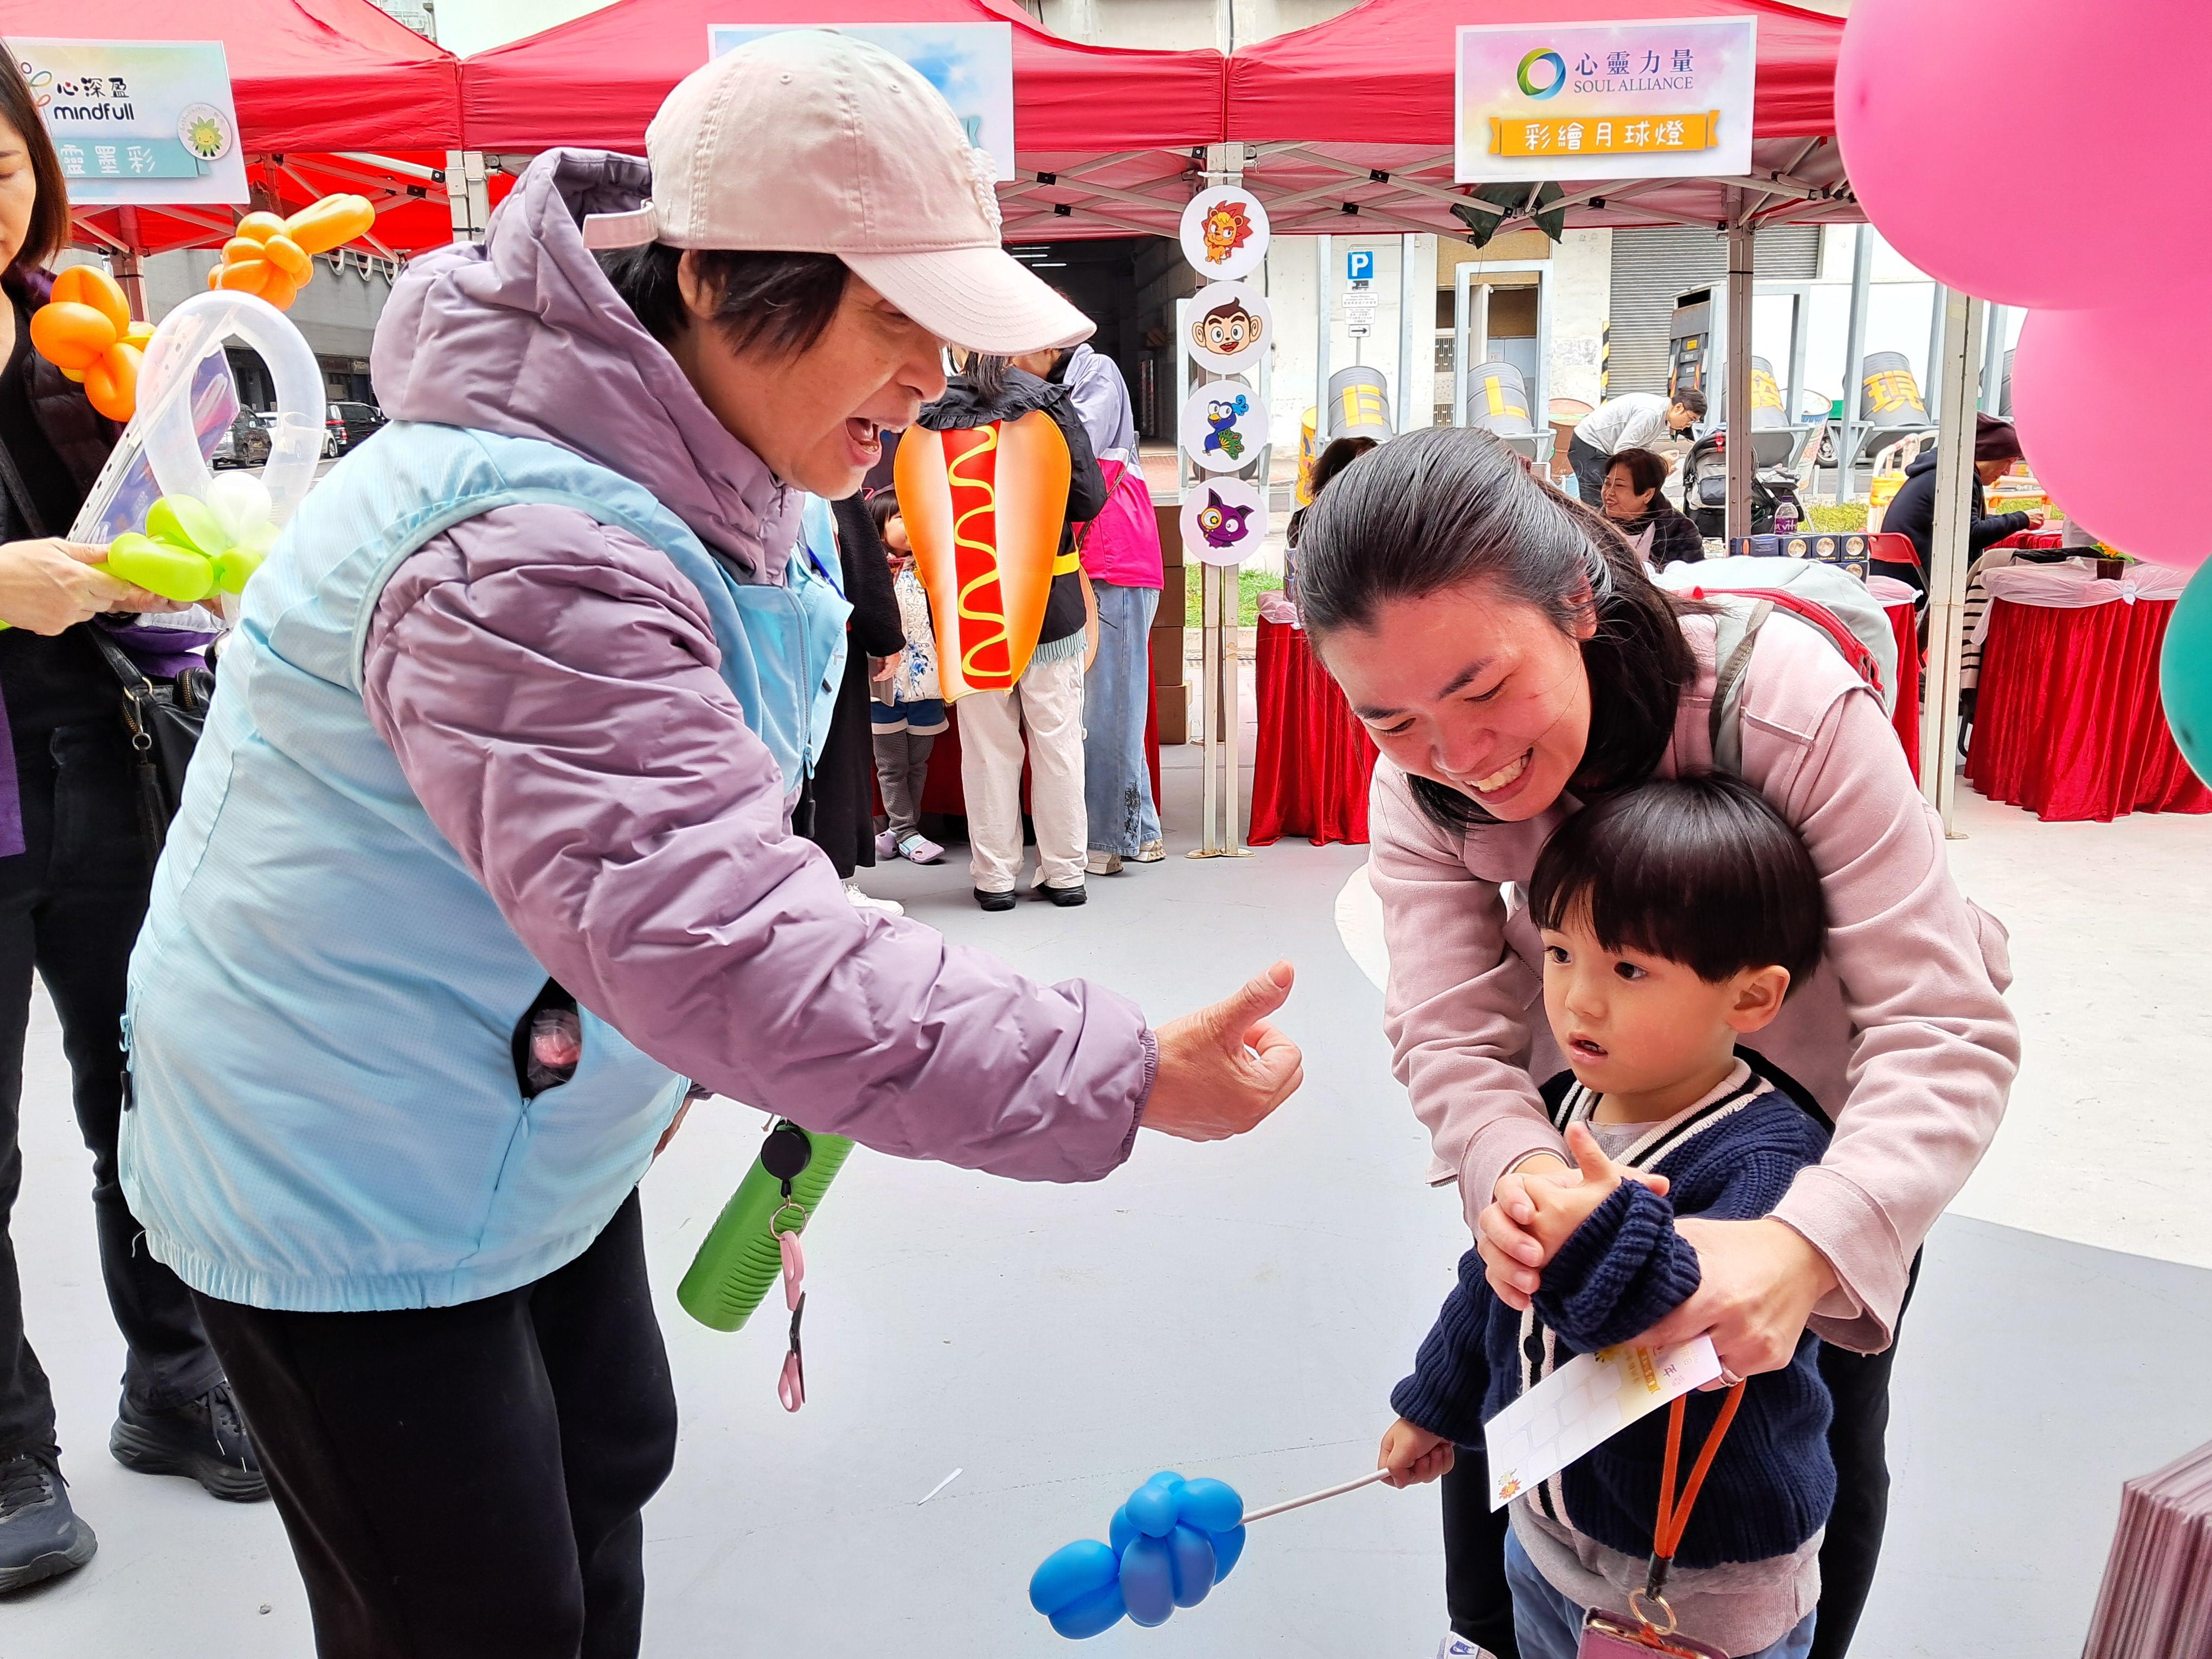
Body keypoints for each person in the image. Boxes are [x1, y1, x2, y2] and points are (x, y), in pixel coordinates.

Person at [117, 35, 1303, 1657]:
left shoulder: (715, 460)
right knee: (474, 1602)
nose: (926, 378)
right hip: (345, 1162)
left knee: (606, 1462)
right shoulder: (524, 548)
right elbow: (721, 937)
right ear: (726, 281)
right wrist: (1120, 1070)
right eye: (895, 318)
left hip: (509, 1108)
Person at [1294, 427, 2017, 1659]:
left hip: (1813, 1142)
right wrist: (1512, 1176)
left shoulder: (1767, 702)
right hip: (1594, 1121)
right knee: (1519, 1402)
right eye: (1392, 719)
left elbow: (1937, 1021)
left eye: (1479, 689)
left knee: (1802, 1441)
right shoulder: (1418, 785)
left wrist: (1802, 1247)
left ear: (1576, 601)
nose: (1458, 759)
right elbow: (1449, 1032)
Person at [0, 54, 265, 1591]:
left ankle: (175, 1376)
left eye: (8, 165)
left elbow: (155, 534)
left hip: (103, 755)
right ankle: (5, 1444)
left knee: (148, 1095)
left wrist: (185, 548)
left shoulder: (79, 331)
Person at [1380, 775, 1835, 1659]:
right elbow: (1494, 1281)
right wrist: (1438, 1403)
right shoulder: (1570, 1105)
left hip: (1698, 1581)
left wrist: (1590, 1231)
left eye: (1628, 969)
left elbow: (1686, 1332)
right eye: (1559, 952)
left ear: (1749, 998)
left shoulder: (1772, 1160)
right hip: (1552, 1538)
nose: (1579, 1000)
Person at [914, 349, 1105, 911]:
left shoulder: (929, 411)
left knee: (987, 748)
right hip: (1048, 603)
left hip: (970, 608)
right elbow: (1088, 499)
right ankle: (1065, 872)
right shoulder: (1048, 405)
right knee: (1058, 742)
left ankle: (995, 878)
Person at [1052, 333, 1167, 875]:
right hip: (1104, 557)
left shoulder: (1094, 372)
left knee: (1108, 707)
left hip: (1112, 556)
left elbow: (1075, 450)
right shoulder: (1080, 378)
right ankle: (1139, 831)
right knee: (1112, 704)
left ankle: (1107, 839)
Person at [801, 491, 907, 914]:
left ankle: (834, 877)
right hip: (796, 630)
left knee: (833, 757)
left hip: (807, 635)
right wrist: (882, 634)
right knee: (830, 757)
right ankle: (829, 881)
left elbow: (858, 549)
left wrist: (882, 633)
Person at [1872, 413, 2044, 596]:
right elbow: (1970, 535)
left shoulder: (1938, 472)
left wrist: (2016, 518)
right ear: (1988, 455)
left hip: (1897, 573)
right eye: (2008, 462)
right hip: (1923, 582)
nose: (2007, 472)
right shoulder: (1957, 478)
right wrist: (2021, 520)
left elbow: (1964, 524)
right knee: (2013, 581)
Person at [867, 492, 948, 867]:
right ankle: (906, 833)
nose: (911, 524)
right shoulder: (870, 571)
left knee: (919, 763)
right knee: (891, 764)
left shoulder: (935, 568)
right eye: (900, 517)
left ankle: (899, 834)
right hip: (883, 683)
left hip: (928, 682)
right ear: (880, 526)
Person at [1568, 389, 1703, 505]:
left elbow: (1641, 448)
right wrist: (1660, 461)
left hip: (1603, 449)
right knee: (1599, 502)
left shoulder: (1663, 417)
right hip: (1589, 446)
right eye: (1690, 419)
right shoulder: (1651, 413)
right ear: (1679, 408)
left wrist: (1657, 463)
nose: (1689, 425)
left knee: (1612, 497)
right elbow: (1622, 448)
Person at [1598, 446, 1706, 568]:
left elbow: (1693, 578)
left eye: (1619, 485)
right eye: (1607, 483)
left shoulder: (1680, 532)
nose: (1609, 492)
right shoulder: (1593, 527)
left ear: (1648, 494)